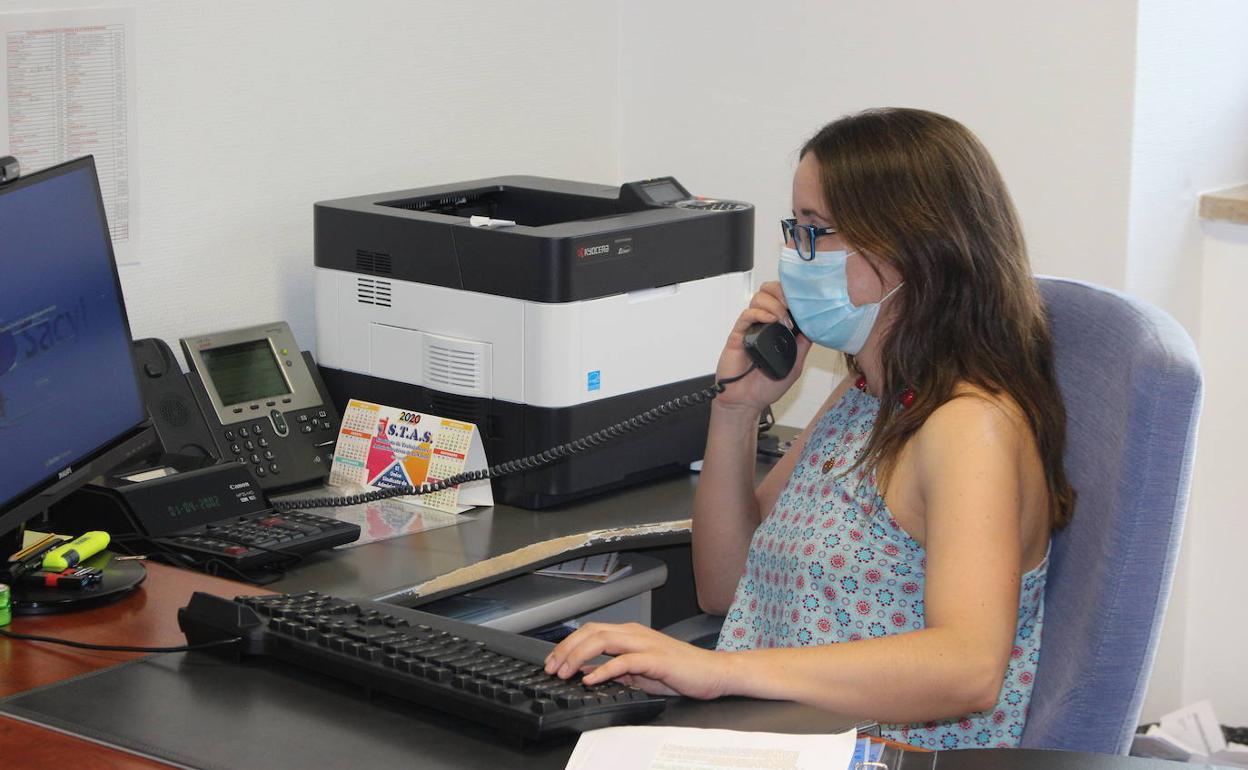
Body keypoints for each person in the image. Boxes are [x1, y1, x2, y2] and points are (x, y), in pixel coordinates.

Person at [543, 107, 1075, 750]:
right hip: (774, 738)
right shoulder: (867, 395)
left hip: (886, 756)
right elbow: (726, 588)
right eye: (796, 228)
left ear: (914, 249)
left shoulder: (969, 427)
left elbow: (968, 669)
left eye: (817, 231)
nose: (797, 255)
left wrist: (720, 672)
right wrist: (735, 412)